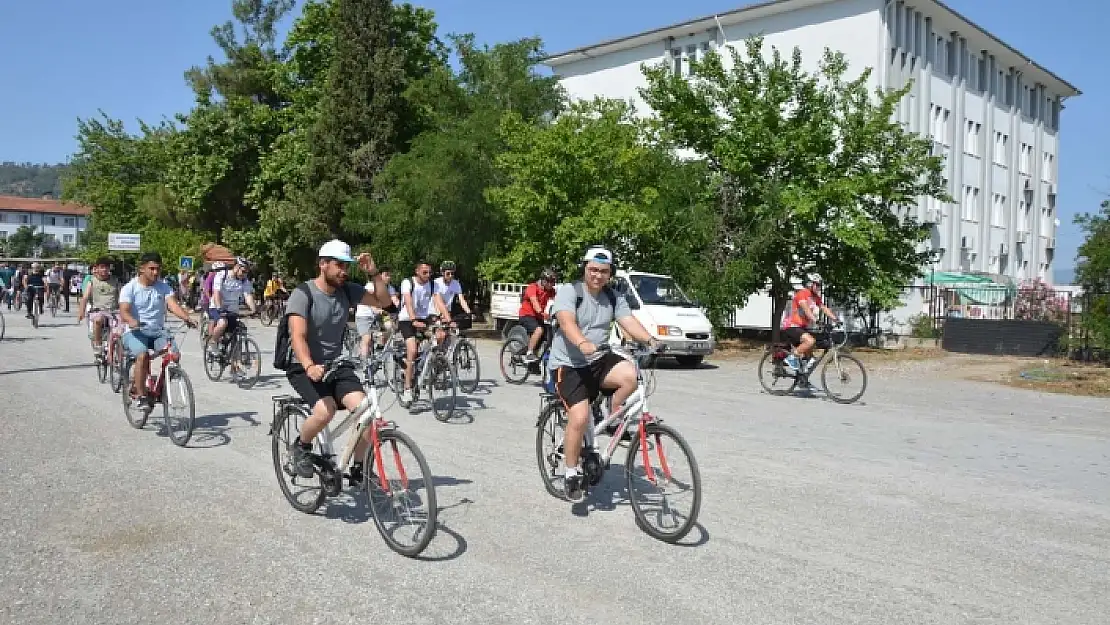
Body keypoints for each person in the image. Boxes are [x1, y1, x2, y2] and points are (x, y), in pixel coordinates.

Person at [550, 246, 659, 503]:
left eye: (604, 271)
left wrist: (651, 340)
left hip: (599, 358)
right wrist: (582, 343)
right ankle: (571, 473)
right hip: (569, 363)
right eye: (593, 270)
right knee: (579, 416)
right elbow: (566, 321)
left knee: (630, 376)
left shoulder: (613, 296)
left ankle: (612, 415)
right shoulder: (570, 292)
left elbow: (628, 321)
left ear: (610, 274)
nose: (598, 275)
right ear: (585, 269)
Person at [285, 239, 395, 481]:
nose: (344, 272)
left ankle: (358, 468)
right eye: (339, 265)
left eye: (347, 266)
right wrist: (309, 366)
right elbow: (298, 336)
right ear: (323, 265)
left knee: (366, 411)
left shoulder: (348, 290)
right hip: (303, 365)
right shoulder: (303, 294)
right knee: (326, 411)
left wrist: (374, 273)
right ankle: (300, 447)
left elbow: (385, 303)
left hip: (335, 365)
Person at [118, 252, 197, 408]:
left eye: (158, 269)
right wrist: (132, 321)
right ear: (142, 268)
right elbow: (124, 311)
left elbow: (173, 305)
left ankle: (161, 385)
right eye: (151, 268)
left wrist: (187, 318)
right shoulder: (130, 288)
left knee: (174, 355)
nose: (155, 272)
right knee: (142, 355)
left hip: (157, 331)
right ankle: (141, 395)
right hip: (135, 332)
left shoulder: (163, 287)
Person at [397, 261, 437, 405]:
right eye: (424, 272)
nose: (428, 275)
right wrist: (413, 319)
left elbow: (439, 302)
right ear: (417, 272)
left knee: (440, 336)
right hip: (407, 319)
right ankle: (407, 389)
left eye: (429, 273)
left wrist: (448, 319)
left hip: (423, 319)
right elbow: (407, 301)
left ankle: (423, 369)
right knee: (412, 351)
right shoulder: (407, 282)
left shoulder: (432, 285)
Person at [781, 277, 840, 373]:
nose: (819, 287)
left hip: (801, 328)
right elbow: (806, 310)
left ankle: (803, 379)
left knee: (810, 355)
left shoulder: (815, 297)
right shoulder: (802, 294)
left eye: (820, 285)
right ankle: (791, 358)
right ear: (810, 284)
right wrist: (816, 321)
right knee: (810, 341)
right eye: (817, 285)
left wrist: (836, 319)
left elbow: (823, 308)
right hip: (791, 326)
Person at [207, 256, 258, 355]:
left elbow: (248, 295)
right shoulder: (222, 275)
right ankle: (212, 342)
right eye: (243, 271)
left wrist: (253, 309)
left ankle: (234, 362)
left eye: (246, 272)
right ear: (236, 267)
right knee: (222, 323)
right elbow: (217, 293)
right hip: (217, 306)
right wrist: (219, 309)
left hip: (232, 309)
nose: (244, 274)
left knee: (237, 330)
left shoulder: (244, 280)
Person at [77, 257, 121, 353]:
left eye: (107, 267)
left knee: (121, 327)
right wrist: (81, 312)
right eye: (102, 267)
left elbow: (122, 297)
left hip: (114, 311)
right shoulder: (92, 281)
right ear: (96, 268)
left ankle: (119, 351)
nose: (104, 269)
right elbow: (85, 298)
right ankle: (98, 344)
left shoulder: (115, 280)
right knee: (98, 320)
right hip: (98, 310)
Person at [518, 267, 558, 363]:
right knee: (539, 330)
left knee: (548, 336)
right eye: (549, 282)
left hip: (539, 317)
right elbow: (535, 303)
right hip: (526, 315)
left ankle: (534, 359)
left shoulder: (551, 291)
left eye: (552, 282)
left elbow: (556, 302)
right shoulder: (532, 287)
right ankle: (529, 353)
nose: (551, 284)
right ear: (543, 280)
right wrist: (542, 313)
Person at [355, 267, 397, 359]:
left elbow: (395, 300)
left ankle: (381, 345)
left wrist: (399, 308)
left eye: (390, 275)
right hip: (364, 316)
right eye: (386, 275)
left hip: (380, 315)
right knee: (367, 339)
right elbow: (372, 304)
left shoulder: (390, 288)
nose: (389, 278)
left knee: (389, 326)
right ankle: (364, 362)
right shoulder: (370, 286)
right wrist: (378, 310)